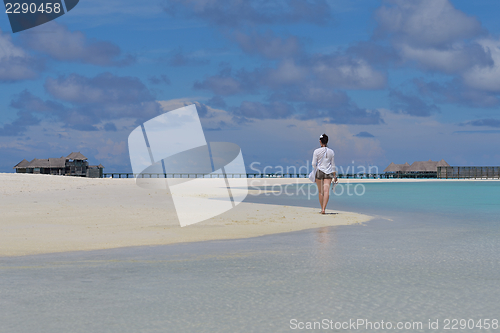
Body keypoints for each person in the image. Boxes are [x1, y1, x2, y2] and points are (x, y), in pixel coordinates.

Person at [312, 134, 337, 214]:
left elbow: (313, 163)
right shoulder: (331, 151)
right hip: (329, 172)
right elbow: (333, 165)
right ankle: (324, 209)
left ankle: (321, 208)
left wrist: (315, 169)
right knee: (326, 191)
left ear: (320, 141)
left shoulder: (316, 151)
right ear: (327, 141)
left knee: (321, 191)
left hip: (319, 171)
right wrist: (334, 175)